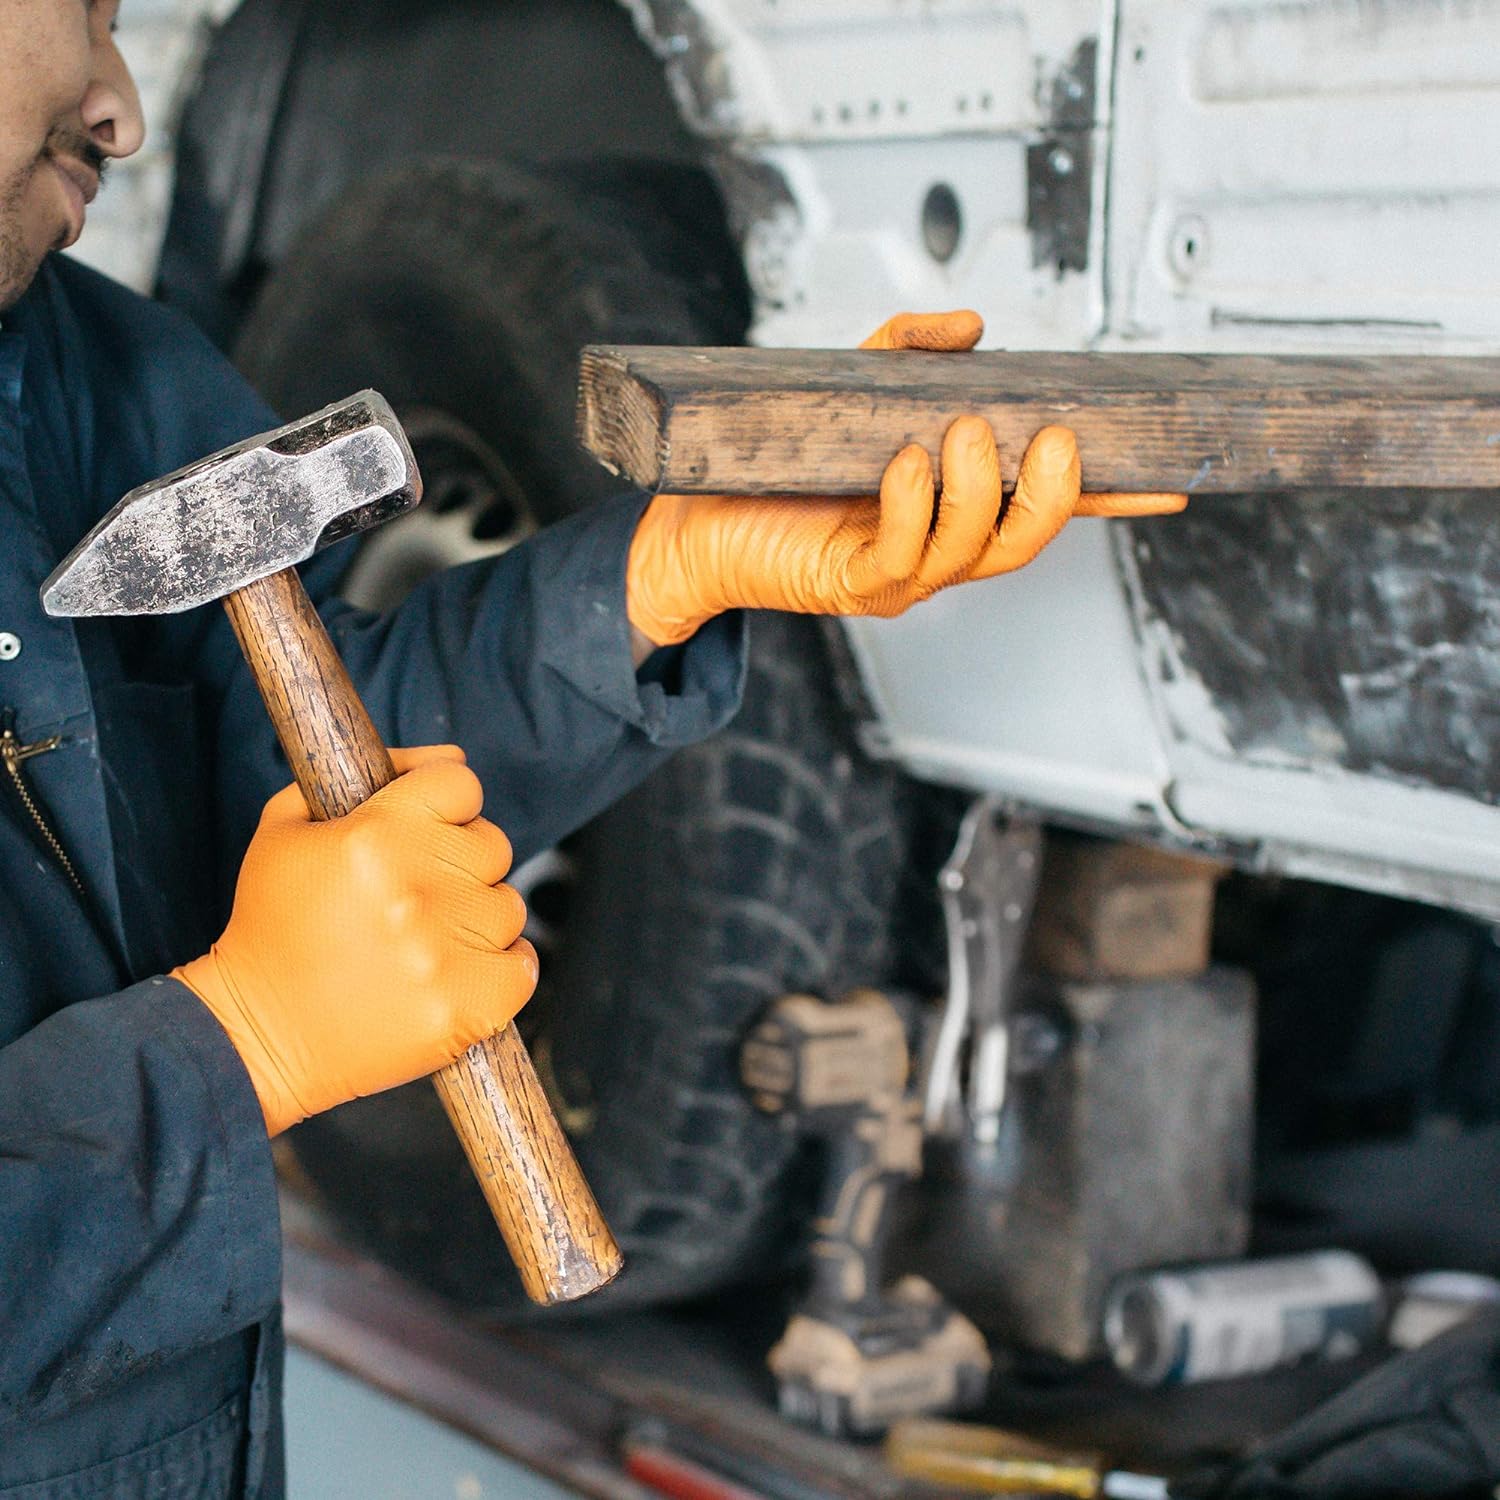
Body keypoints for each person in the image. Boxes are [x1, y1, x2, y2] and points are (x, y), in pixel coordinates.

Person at [0, 1, 1185, 1493]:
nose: (121, 106)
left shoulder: (76, 367)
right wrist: (238, 1051)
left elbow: (286, 766)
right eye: (85, 7)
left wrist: (658, 573)